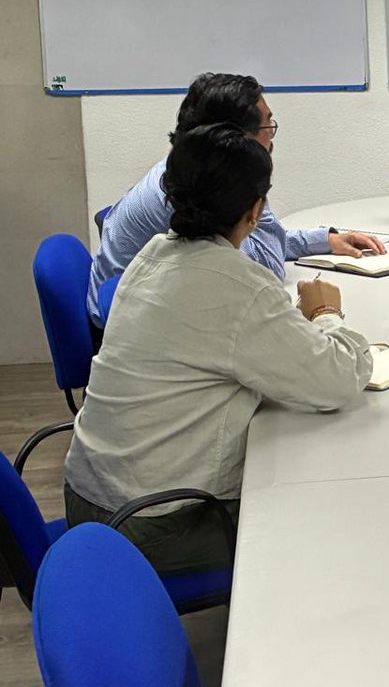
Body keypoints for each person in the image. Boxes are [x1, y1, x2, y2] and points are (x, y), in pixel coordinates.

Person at [64, 123, 372, 575]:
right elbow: (341, 379)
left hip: (88, 500)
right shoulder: (239, 287)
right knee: (319, 510)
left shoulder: (151, 254)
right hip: (153, 525)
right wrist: (326, 313)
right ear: (255, 211)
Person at [86, 73, 384, 328]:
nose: (272, 137)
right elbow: (265, 272)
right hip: (138, 329)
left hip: (155, 314)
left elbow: (249, 242)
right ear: (233, 139)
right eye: (267, 126)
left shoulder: (188, 170)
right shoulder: (193, 190)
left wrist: (325, 241)